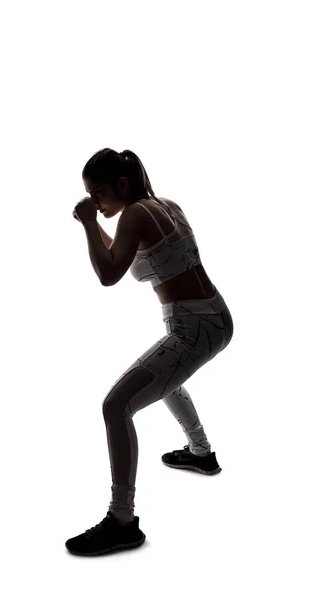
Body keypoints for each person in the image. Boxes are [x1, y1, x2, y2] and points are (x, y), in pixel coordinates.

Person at [65, 148, 234, 556]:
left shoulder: (135, 215)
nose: (96, 202)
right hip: (214, 318)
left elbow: (108, 274)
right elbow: (119, 254)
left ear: (122, 185)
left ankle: (122, 520)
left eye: (99, 193)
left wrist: (87, 224)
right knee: (163, 380)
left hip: (193, 327)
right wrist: (94, 223)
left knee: (115, 406)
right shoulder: (164, 206)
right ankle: (201, 453)